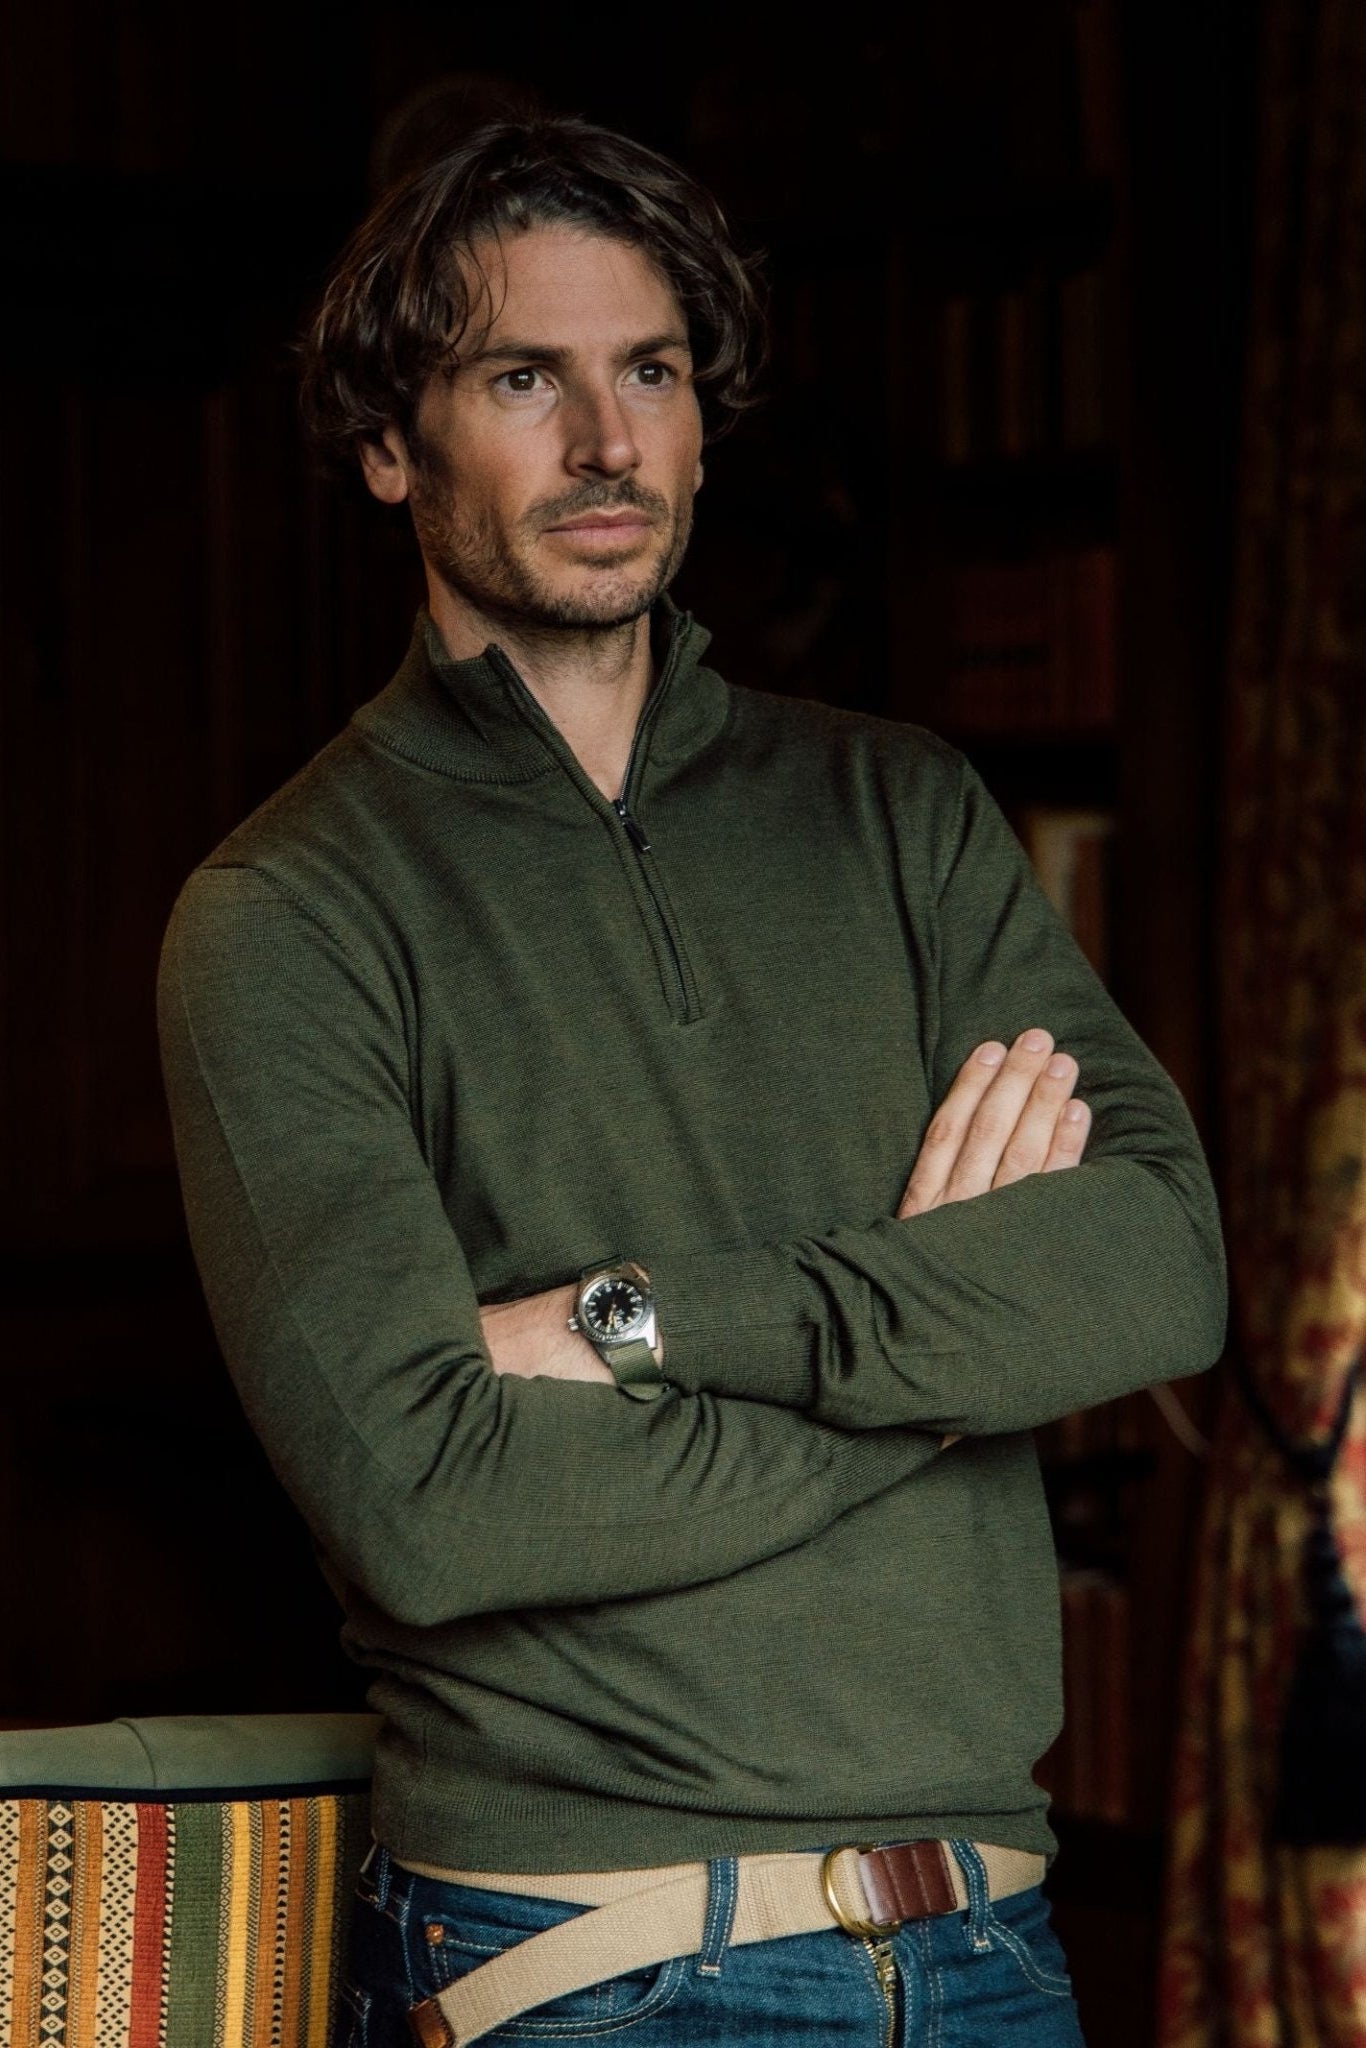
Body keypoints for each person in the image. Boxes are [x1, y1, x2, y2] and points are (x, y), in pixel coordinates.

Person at [157, 115, 1225, 2048]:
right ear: (392, 445)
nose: (605, 442)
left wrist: (637, 1323)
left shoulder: (897, 810)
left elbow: (1157, 1266)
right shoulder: (284, 915)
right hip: (598, 1963)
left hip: (991, 1938)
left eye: (648, 371)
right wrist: (953, 1345)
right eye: (520, 378)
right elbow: (435, 1504)